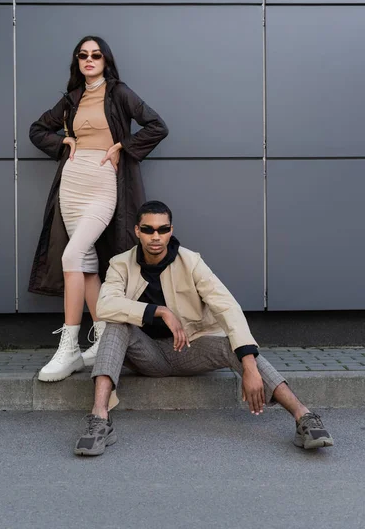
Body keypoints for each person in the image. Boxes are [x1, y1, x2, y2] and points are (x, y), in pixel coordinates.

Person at [74, 200, 334, 456]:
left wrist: (249, 364)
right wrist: (159, 311)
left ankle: (305, 417)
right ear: (137, 231)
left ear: (171, 231)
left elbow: (227, 307)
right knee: (116, 327)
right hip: (146, 354)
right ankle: (100, 419)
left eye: (163, 229)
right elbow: (105, 305)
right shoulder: (121, 263)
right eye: (149, 229)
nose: (156, 236)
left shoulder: (191, 262)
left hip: (189, 348)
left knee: (231, 346)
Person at [28, 37, 168, 382]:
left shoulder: (118, 92)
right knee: (86, 262)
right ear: (77, 61)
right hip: (72, 185)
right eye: (83, 55)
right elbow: (37, 130)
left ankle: (70, 346)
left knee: (72, 255)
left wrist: (124, 145)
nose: (89, 60)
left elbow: (156, 126)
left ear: (106, 60)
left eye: (96, 55)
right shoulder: (71, 99)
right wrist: (63, 140)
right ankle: (104, 336)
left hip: (103, 183)